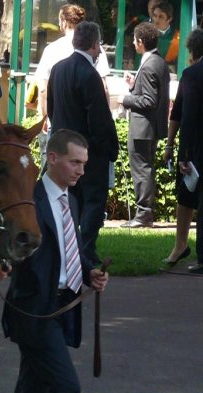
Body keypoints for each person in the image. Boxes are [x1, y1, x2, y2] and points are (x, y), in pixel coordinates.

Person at [0, 129, 109, 393]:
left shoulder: (69, 198)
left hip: (61, 309)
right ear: (52, 158)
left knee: (33, 388)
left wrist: (90, 273)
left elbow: (67, 247)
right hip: (33, 310)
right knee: (65, 388)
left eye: (84, 163)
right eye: (75, 162)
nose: (81, 170)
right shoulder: (30, 194)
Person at [47, 21, 119, 266]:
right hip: (87, 152)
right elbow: (98, 118)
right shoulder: (90, 75)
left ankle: (66, 247)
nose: (100, 52)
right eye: (99, 47)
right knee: (93, 201)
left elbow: (51, 108)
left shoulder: (58, 69)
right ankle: (85, 250)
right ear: (95, 44)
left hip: (61, 146)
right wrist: (106, 148)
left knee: (69, 200)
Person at [118, 22, 170, 228]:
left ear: (140, 42)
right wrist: (134, 86)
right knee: (145, 168)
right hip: (151, 126)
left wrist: (125, 99)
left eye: (134, 40)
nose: (132, 43)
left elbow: (149, 100)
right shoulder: (159, 62)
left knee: (141, 170)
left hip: (143, 128)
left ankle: (143, 214)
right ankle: (144, 213)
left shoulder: (149, 65)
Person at [34, 4, 110, 139]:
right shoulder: (96, 49)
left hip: (58, 123)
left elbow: (43, 89)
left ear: (63, 22)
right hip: (85, 126)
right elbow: (104, 89)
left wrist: (44, 116)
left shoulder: (52, 49)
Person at [162, 31, 203, 264]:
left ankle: (180, 246)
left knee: (186, 196)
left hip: (193, 147)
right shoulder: (189, 76)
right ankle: (180, 247)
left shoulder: (190, 75)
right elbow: (179, 113)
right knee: (186, 196)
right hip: (193, 147)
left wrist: (176, 148)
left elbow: (180, 116)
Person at [152, 2, 180, 69]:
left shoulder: (177, 37)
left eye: (161, 17)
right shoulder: (147, 35)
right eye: (155, 16)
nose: (156, 19)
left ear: (169, 19)